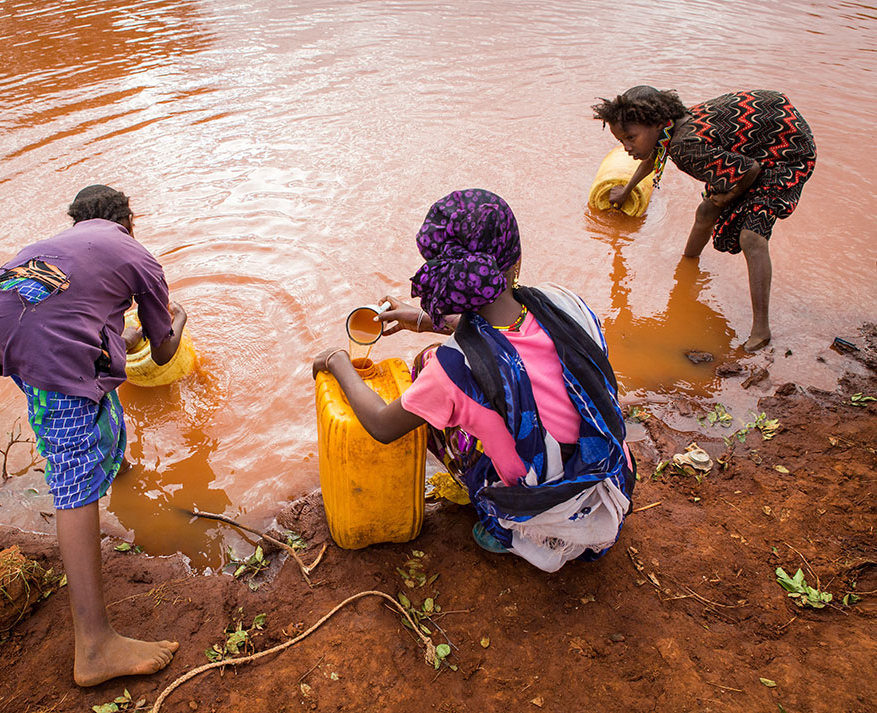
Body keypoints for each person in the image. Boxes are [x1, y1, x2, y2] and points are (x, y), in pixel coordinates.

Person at [313, 189, 634, 573]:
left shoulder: (452, 367)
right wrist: (420, 320)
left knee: (427, 364)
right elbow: (507, 334)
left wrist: (338, 363)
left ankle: (502, 529)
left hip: (542, 517)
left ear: (443, 277)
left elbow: (382, 426)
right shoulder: (565, 303)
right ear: (516, 260)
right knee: (478, 385)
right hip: (611, 483)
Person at [0, 184, 186, 686]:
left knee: (79, 397)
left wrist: (122, 339)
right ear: (128, 220)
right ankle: (95, 647)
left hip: (1, 321)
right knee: (72, 479)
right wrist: (179, 318)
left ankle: (120, 473)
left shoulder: (55, 250)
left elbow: (83, 326)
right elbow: (161, 353)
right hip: (46, 343)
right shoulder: (136, 254)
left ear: (76, 219)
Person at [592, 86, 817, 351]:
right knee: (706, 211)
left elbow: (750, 171)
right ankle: (688, 264)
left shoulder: (686, 147)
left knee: (751, 237)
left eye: (631, 138)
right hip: (752, 147)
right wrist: (627, 190)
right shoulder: (672, 128)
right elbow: (654, 157)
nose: (627, 148)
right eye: (622, 142)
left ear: (656, 123)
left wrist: (726, 196)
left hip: (783, 152)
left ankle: (761, 331)